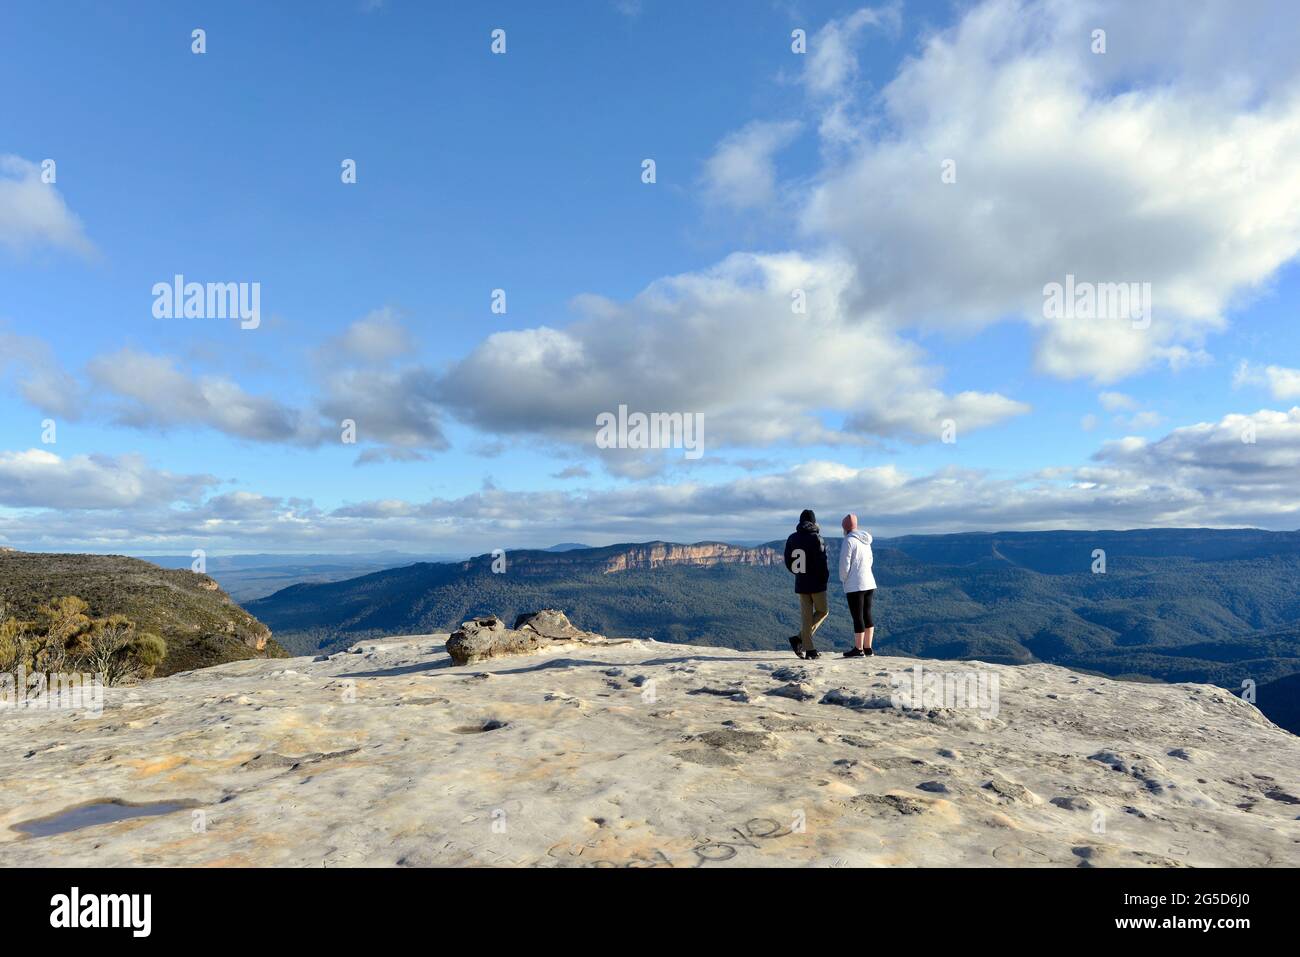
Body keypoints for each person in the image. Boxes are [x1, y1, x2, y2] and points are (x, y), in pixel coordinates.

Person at [783, 508, 829, 659]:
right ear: (814, 522)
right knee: (823, 611)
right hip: (816, 583)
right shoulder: (817, 538)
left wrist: (798, 573)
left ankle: (802, 642)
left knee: (806, 617)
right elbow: (823, 563)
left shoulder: (792, 538)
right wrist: (824, 579)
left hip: (801, 582)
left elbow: (788, 561)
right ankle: (805, 646)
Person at [838, 513, 877, 657]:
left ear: (845, 528)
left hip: (855, 584)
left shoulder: (848, 541)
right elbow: (870, 560)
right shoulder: (866, 541)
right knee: (867, 614)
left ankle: (858, 649)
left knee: (857, 616)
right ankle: (868, 648)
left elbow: (844, 564)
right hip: (869, 582)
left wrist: (844, 579)